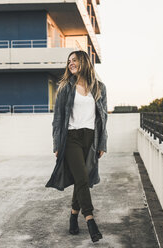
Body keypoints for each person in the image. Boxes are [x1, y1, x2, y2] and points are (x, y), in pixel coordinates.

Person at [45, 50, 108, 243]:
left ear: (84, 62)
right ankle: (90, 220)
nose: (71, 63)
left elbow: (103, 118)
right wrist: (57, 144)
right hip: (71, 138)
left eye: (74, 60)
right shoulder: (65, 87)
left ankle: (73, 215)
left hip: (90, 138)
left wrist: (102, 142)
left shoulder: (99, 88)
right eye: (69, 61)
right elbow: (58, 119)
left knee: (83, 178)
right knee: (82, 178)